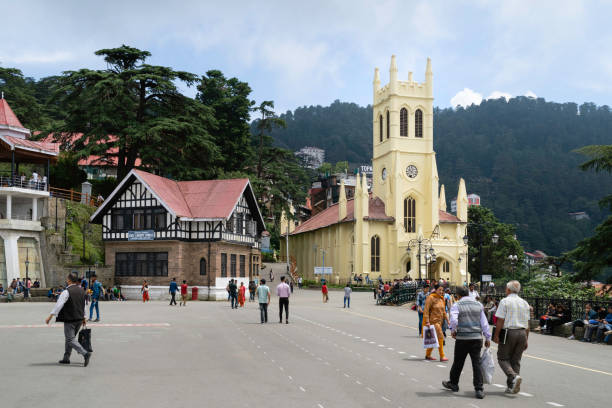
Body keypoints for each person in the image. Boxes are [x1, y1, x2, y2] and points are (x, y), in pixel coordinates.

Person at [442, 286, 491, 399]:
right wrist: (487, 337)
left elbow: (453, 320)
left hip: (463, 338)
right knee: (476, 363)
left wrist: (453, 331)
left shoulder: (457, 305)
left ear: (458, 295)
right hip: (476, 338)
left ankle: (454, 384)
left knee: (458, 362)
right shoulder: (478, 305)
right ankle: (479, 389)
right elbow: (484, 323)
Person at [45, 272, 92, 367]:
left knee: (70, 339)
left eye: (67, 279)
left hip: (70, 319)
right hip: (79, 318)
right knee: (70, 339)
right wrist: (84, 317)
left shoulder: (66, 291)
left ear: (69, 280)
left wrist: (50, 316)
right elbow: (84, 306)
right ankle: (66, 358)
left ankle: (85, 353)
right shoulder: (81, 291)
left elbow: (59, 304)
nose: (66, 280)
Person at [493, 280, 530, 394]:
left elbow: (500, 320)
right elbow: (527, 323)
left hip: (509, 332)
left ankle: (513, 376)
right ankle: (512, 386)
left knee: (502, 358)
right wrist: (526, 339)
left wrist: (496, 335)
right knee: (516, 360)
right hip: (522, 333)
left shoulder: (505, 301)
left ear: (508, 290)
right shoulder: (524, 302)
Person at [423, 284, 449, 361]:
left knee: (433, 339)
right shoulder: (431, 298)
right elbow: (426, 310)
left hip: (440, 321)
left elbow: (444, 311)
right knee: (440, 336)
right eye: (439, 290)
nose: (441, 291)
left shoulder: (441, 299)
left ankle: (428, 355)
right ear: (435, 290)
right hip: (432, 321)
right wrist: (427, 321)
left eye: (442, 290)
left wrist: (448, 320)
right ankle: (442, 356)